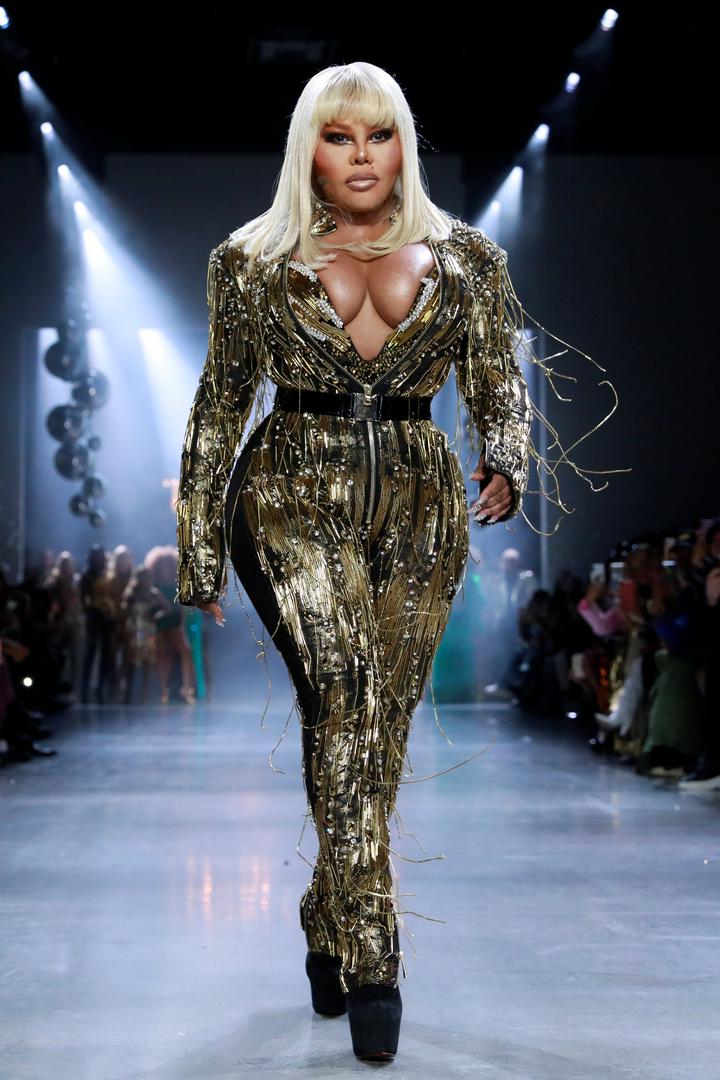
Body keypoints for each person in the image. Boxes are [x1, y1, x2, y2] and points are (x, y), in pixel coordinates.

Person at [175, 61, 621, 1061]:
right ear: (309, 150)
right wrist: (200, 550)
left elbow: (497, 376)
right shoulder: (248, 259)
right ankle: (374, 954)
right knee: (344, 696)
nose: (362, 156)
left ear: (404, 144)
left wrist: (508, 456)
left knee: (376, 724)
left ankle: (325, 904)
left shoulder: (468, 258)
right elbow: (218, 401)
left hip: (423, 499)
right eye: (339, 137)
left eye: (379, 135)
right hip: (287, 490)